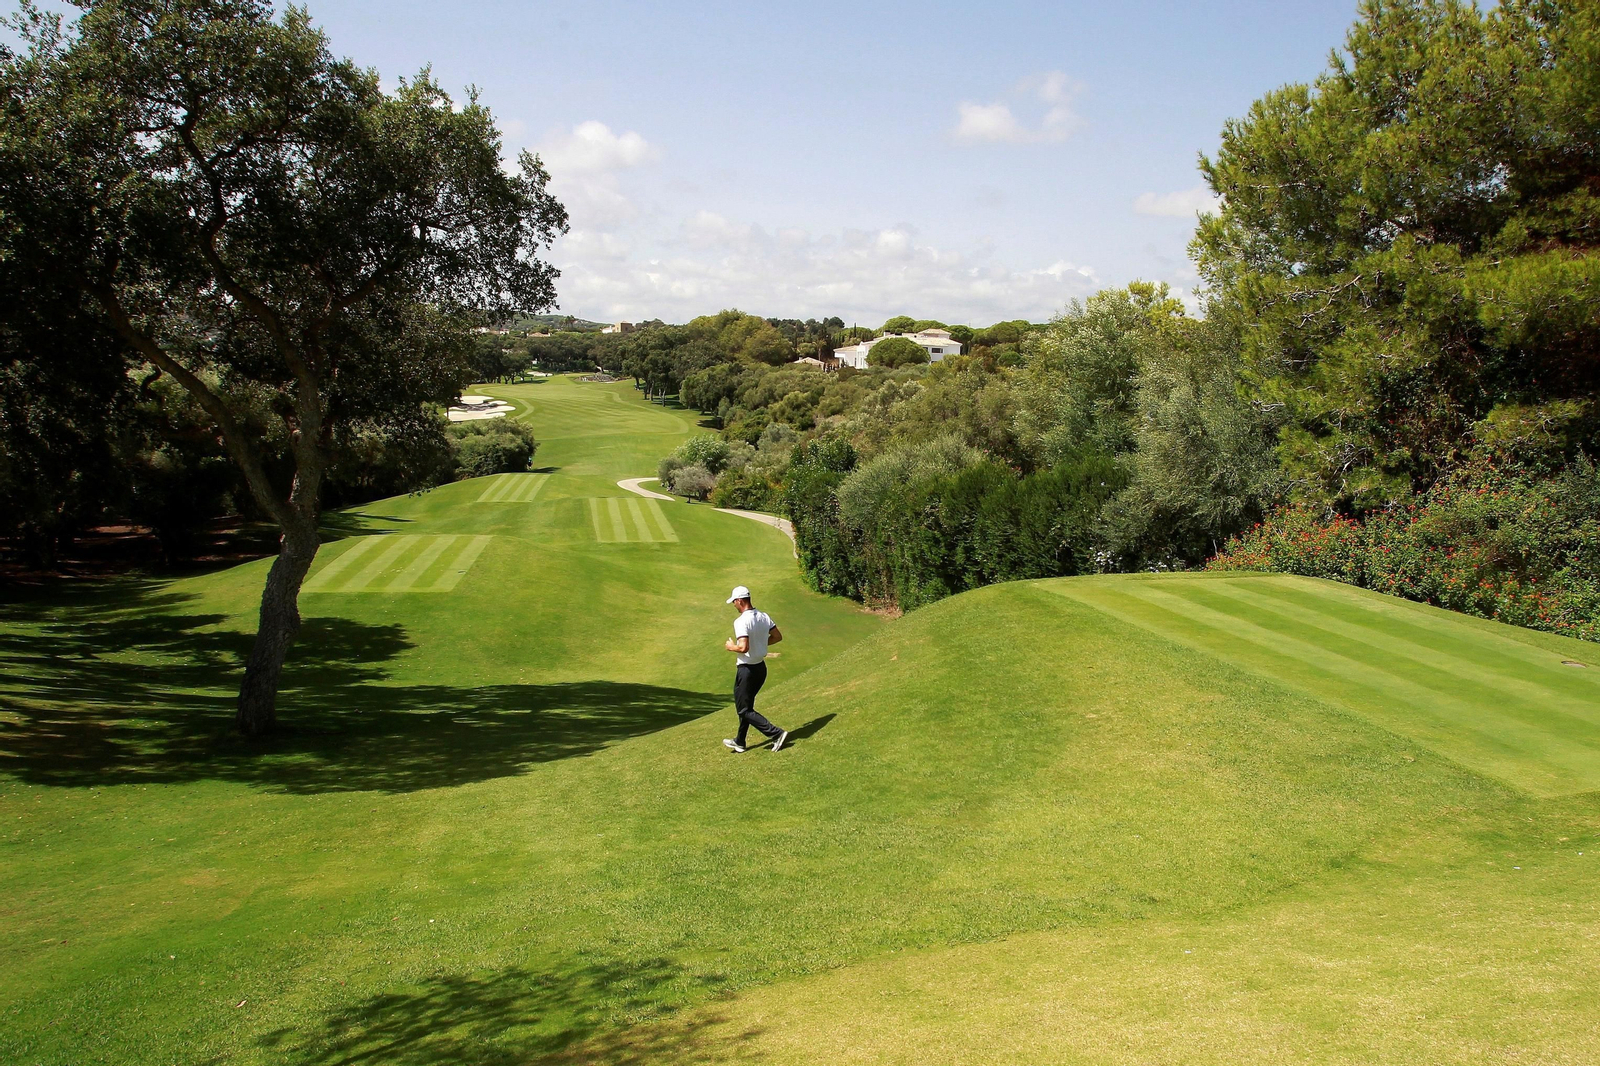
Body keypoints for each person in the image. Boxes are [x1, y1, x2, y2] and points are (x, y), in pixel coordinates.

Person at [722, 585, 788, 753]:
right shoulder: (763, 616)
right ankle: (740, 741)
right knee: (746, 706)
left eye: (734, 602)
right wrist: (760, 644)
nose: (734, 606)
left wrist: (731, 647)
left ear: (739, 601)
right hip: (760, 669)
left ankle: (776, 733)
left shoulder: (741, 621)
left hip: (747, 671)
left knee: (743, 709)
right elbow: (777, 637)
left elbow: (743, 647)